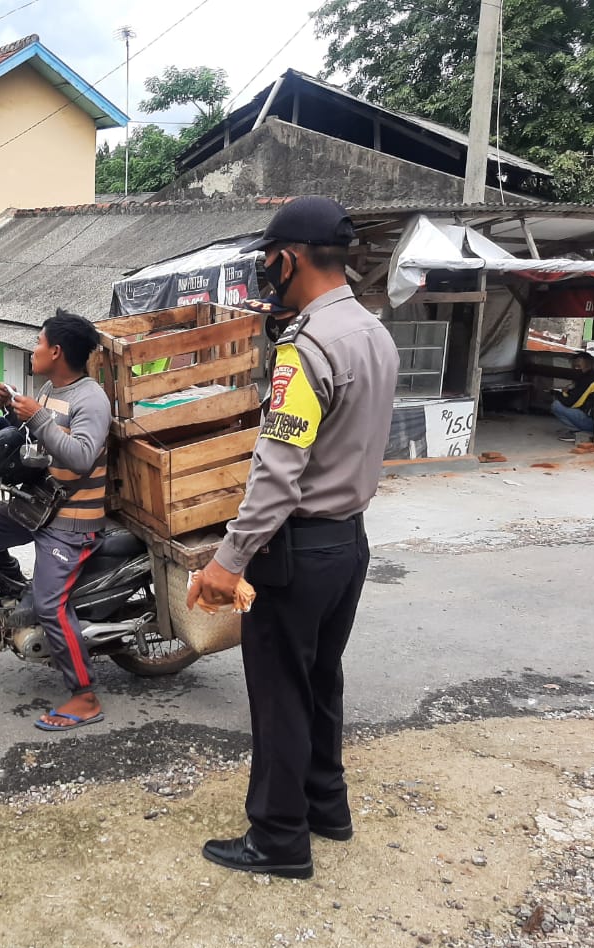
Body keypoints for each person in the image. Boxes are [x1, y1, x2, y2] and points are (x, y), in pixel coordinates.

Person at [188, 196, 399, 880]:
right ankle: (324, 807)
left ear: (289, 257)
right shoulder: (373, 333)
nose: (265, 272)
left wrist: (228, 560)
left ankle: (279, 838)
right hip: (349, 544)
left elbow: (278, 474)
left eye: (267, 259)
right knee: (320, 680)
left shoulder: (306, 348)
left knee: (280, 692)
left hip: (297, 550)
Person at [0, 309, 112, 731]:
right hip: (41, 505)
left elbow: (82, 455)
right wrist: (16, 413)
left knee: (52, 606)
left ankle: (85, 697)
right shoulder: (52, 388)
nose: (32, 349)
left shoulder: (91, 399)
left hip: (72, 521)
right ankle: (19, 596)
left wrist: (36, 416)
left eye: (37, 342)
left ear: (56, 350)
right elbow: (44, 439)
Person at [550, 351, 594, 441]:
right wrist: (567, 391)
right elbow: (578, 394)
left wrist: (556, 393)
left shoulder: (589, 379)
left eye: (579, 361)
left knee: (556, 405)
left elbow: (571, 402)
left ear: (587, 362)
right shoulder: (592, 376)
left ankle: (576, 432)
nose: (575, 364)